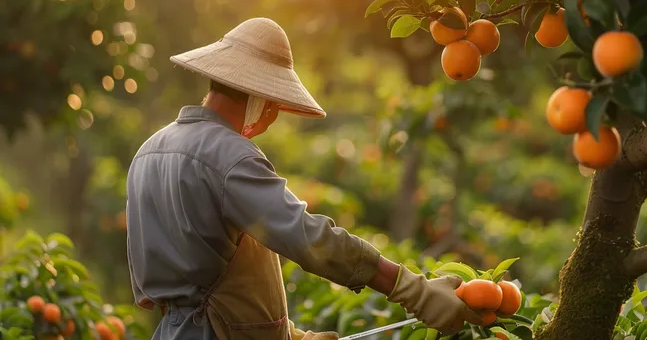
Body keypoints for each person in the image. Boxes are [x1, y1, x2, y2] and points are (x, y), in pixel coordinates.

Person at [126, 17, 481, 340]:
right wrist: (411, 288)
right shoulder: (229, 155)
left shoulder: (148, 152)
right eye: (276, 106)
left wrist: (285, 334)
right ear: (260, 100)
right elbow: (309, 238)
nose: (273, 116)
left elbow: (205, 278)